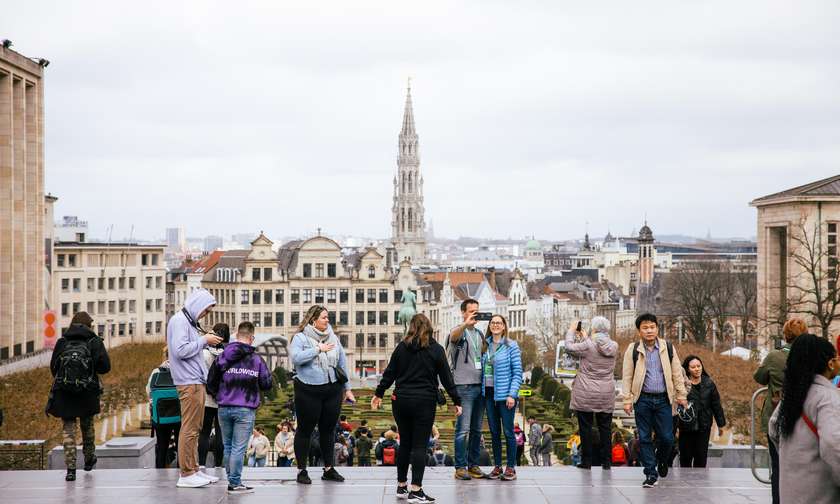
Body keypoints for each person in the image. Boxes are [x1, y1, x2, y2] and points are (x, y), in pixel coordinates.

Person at [373, 313, 462, 504]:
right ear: (429, 327)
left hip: (401, 400)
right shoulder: (436, 349)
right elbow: (446, 378)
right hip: (424, 400)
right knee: (420, 445)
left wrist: (379, 393)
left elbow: (389, 373)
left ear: (411, 327)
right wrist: (456, 400)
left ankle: (401, 485)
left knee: (405, 442)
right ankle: (416, 490)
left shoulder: (401, 347)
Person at [769, 333, 840, 504]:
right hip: (820, 495)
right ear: (830, 364)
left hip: (791, 493)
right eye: (837, 358)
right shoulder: (827, 397)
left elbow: (773, 428)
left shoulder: (792, 395)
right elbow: (833, 444)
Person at [289, 305, 355, 485]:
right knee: (305, 430)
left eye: (327, 317)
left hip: (332, 389)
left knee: (329, 430)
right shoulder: (300, 337)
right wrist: (318, 349)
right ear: (313, 320)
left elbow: (342, 362)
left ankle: (328, 468)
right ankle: (302, 470)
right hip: (308, 389)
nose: (328, 320)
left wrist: (347, 388)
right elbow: (296, 358)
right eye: (324, 317)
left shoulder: (333, 337)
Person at [621, 313, 688, 488]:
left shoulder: (669, 348)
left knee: (667, 438)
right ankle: (650, 473)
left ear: (657, 328)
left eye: (652, 327)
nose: (649, 330)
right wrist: (627, 399)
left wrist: (681, 396)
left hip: (664, 399)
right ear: (639, 331)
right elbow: (627, 376)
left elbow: (677, 374)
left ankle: (661, 460)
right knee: (644, 438)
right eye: (645, 327)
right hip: (642, 399)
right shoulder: (633, 349)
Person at [166, 288, 223, 488]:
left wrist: (202, 340)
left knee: (195, 428)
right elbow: (180, 350)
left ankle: (194, 469)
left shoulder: (186, 321)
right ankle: (187, 473)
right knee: (189, 428)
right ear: (198, 305)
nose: (205, 314)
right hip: (188, 382)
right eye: (206, 310)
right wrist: (204, 340)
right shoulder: (180, 321)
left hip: (195, 380)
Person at [46, 312, 111, 482]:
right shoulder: (94, 342)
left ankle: (71, 469)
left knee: (69, 430)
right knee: (87, 426)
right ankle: (89, 459)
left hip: (64, 392)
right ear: (89, 325)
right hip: (87, 391)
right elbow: (105, 367)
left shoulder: (62, 342)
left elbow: (54, 368)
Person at [214, 321, 274, 494]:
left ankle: (231, 478)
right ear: (252, 338)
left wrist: (219, 394)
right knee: (239, 447)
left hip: (224, 406)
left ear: (236, 335)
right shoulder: (256, 359)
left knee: (228, 446)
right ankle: (234, 483)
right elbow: (267, 383)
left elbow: (211, 380)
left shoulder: (223, 356)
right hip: (245, 408)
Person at [754, 318, 807, 504]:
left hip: (776, 415)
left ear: (785, 335)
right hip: (804, 417)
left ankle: (778, 501)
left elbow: (759, 377)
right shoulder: (809, 358)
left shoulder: (774, 356)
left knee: (777, 464)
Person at [564, 317, 618, 470]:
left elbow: (569, 347)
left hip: (586, 391)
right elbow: (599, 346)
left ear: (594, 329)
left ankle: (587, 461)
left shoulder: (587, 345)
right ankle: (606, 462)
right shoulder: (614, 345)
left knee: (585, 427)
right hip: (606, 392)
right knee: (605, 428)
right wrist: (587, 337)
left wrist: (571, 330)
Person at [446, 298, 488, 480]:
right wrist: (465, 323)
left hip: (480, 386)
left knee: (477, 430)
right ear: (463, 312)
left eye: (476, 311)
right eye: (471, 311)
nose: (475, 314)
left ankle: (473, 465)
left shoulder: (479, 334)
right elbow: (453, 337)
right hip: (463, 386)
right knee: (463, 429)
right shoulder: (459, 331)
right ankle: (460, 467)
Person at [481, 314, 523, 480]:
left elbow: (517, 373)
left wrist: (512, 395)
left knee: (508, 432)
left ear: (504, 326)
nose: (496, 325)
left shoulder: (511, 345)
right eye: (493, 323)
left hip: (506, 396)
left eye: (499, 323)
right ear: (490, 326)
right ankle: (497, 466)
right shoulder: (485, 345)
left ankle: (511, 468)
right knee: (494, 432)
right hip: (489, 394)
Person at [678, 355, 726, 468]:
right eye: (693, 367)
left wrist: (721, 425)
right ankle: (685, 483)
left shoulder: (709, 383)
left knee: (701, 457)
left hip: (704, 426)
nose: (697, 369)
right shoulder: (682, 384)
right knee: (685, 458)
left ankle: (699, 483)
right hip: (686, 426)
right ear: (687, 369)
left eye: (699, 366)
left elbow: (716, 405)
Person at [199, 323, 229, 468]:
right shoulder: (228, 355)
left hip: (206, 398)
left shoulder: (203, 354)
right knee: (220, 432)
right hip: (223, 399)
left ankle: (202, 464)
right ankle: (218, 464)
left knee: (204, 432)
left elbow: (199, 375)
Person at [146, 346, 181, 469]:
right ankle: (181, 470)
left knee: (161, 446)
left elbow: (149, 392)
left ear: (165, 356)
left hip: (160, 417)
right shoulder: (182, 371)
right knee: (180, 444)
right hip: (179, 416)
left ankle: (159, 471)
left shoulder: (156, 372)